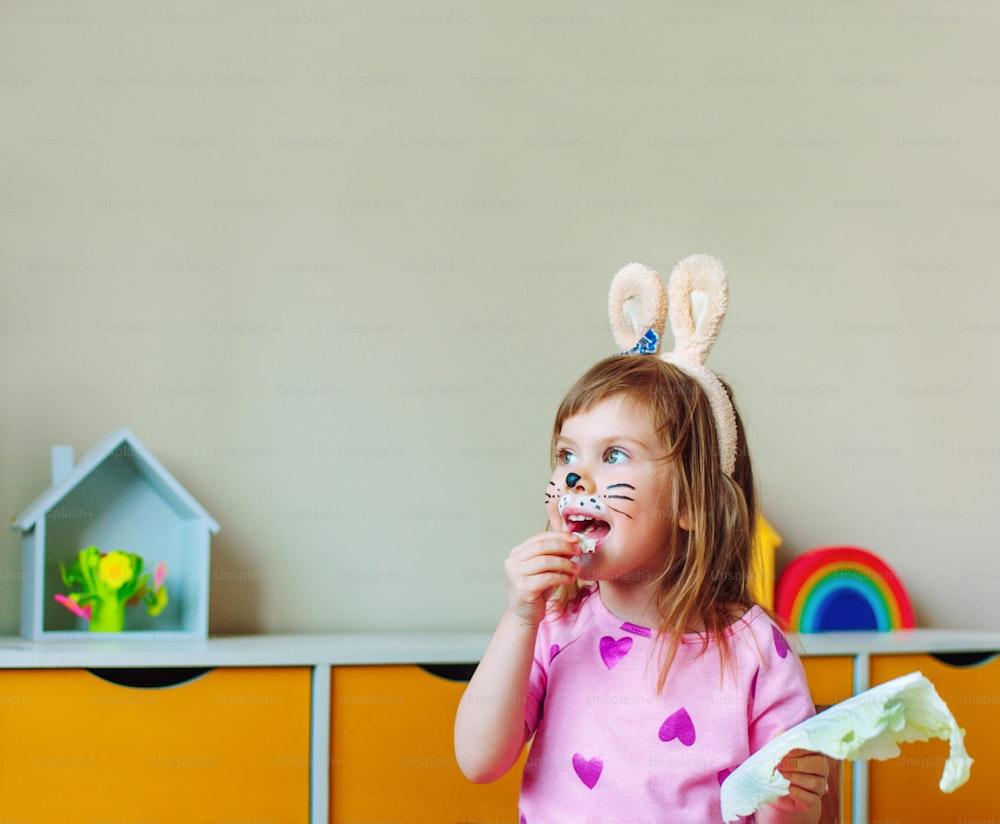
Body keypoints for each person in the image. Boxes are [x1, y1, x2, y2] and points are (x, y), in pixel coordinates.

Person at [454, 354, 828, 823]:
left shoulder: (757, 651)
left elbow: (783, 815)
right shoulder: (551, 626)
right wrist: (519, 618)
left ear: (691, 504)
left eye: (613, 455)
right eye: (567, 454)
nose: (575, 478)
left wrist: (792, 802)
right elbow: (478, 761)